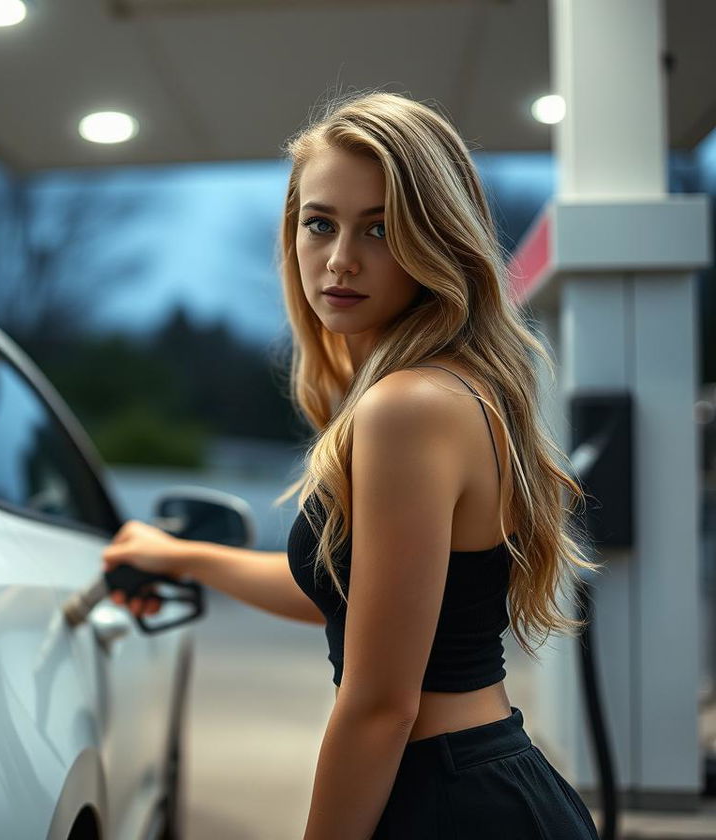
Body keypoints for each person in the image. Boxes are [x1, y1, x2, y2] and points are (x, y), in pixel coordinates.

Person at [100, 90, 602, 839]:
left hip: (452, 803)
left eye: (380, 228)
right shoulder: (438, 387)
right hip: (475, 784)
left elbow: (379, 705)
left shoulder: (409, 406)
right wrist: (184, 557)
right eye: (320, 224)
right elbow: (347, 597)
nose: (340, 259)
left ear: (437, 240)